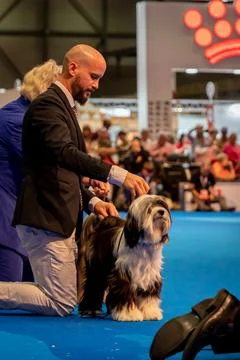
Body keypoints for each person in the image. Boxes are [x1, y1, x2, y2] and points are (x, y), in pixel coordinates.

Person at [0, 44, 149, 317]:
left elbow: (60, 168)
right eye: (94, 76)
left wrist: (92, 203)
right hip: (45, 216)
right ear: (72, 68)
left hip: (55, 216)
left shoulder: (62, 106)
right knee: (61, 301)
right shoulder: (48, 104)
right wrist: (117, 174)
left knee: (63, 296)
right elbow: (64, 153)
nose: (96, 85)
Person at [0, 59, 61, 282]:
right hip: (6, 220)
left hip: (23, 222)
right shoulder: (16, 120)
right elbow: (44, 165)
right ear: (45, 90)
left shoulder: (28, 117)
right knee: (9, 294)